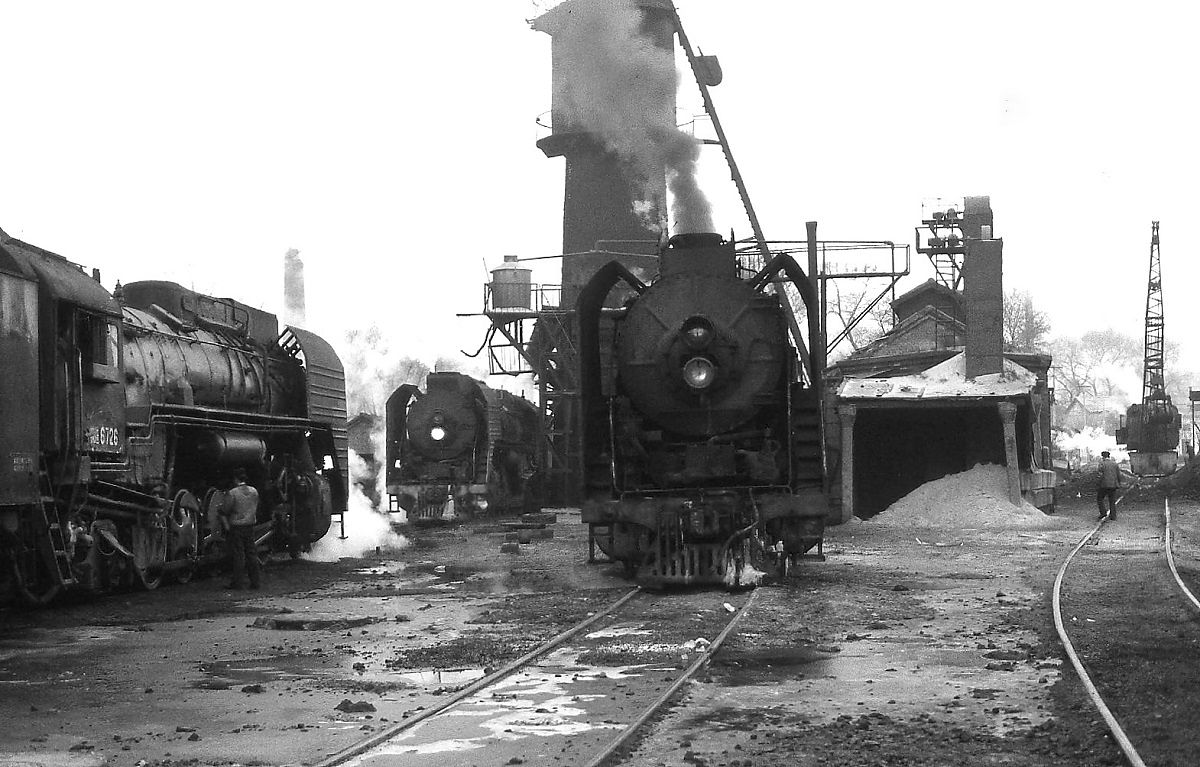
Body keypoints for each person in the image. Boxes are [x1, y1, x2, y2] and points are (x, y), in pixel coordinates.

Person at [221, 467, 262, 590]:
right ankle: (255, 583)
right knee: (251, 554)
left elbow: (225, 510)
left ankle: (237, 583)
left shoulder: (233, 493)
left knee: (239, 555)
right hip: (250, 526)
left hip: (236, 527)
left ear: (235, 479)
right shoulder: (254, 491)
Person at [1097, 451, 1122, 521]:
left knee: (1100, 499)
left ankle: (1103, 513)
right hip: (1113, 485)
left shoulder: (1101, 464)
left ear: (1102, 457)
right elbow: (1118, 475)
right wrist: (1119, 483)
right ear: (1109, 456)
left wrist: (1098, 484)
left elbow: (1100, 475)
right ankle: (1113, 516)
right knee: (1112, 500)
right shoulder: (1115, 464)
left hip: (1104, 485)